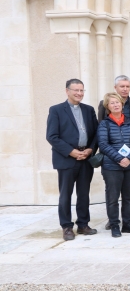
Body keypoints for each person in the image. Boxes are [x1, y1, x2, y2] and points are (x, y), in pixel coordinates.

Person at [46, 79, 99, 241]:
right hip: (66, 159)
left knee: (83, 194)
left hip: (86, 158)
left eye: (82, 90)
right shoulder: (56, 110)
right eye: (76, 90)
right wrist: (72, 152)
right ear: (67, 91)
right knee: (65, 194)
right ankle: (67, 227)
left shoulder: (89, 110)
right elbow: (52, 136)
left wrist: (90, 149)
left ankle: (83, 224)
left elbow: (97, 134)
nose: (79, 93)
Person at [98, 75, 130, 229]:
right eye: (121, 86)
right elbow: (102, 139)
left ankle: (128, 222)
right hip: (112, 161)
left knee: (128, 195)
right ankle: (113, 222)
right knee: (113, 196)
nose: (125, 89)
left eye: (127, 86)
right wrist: (118, 158)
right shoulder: (105, 122)